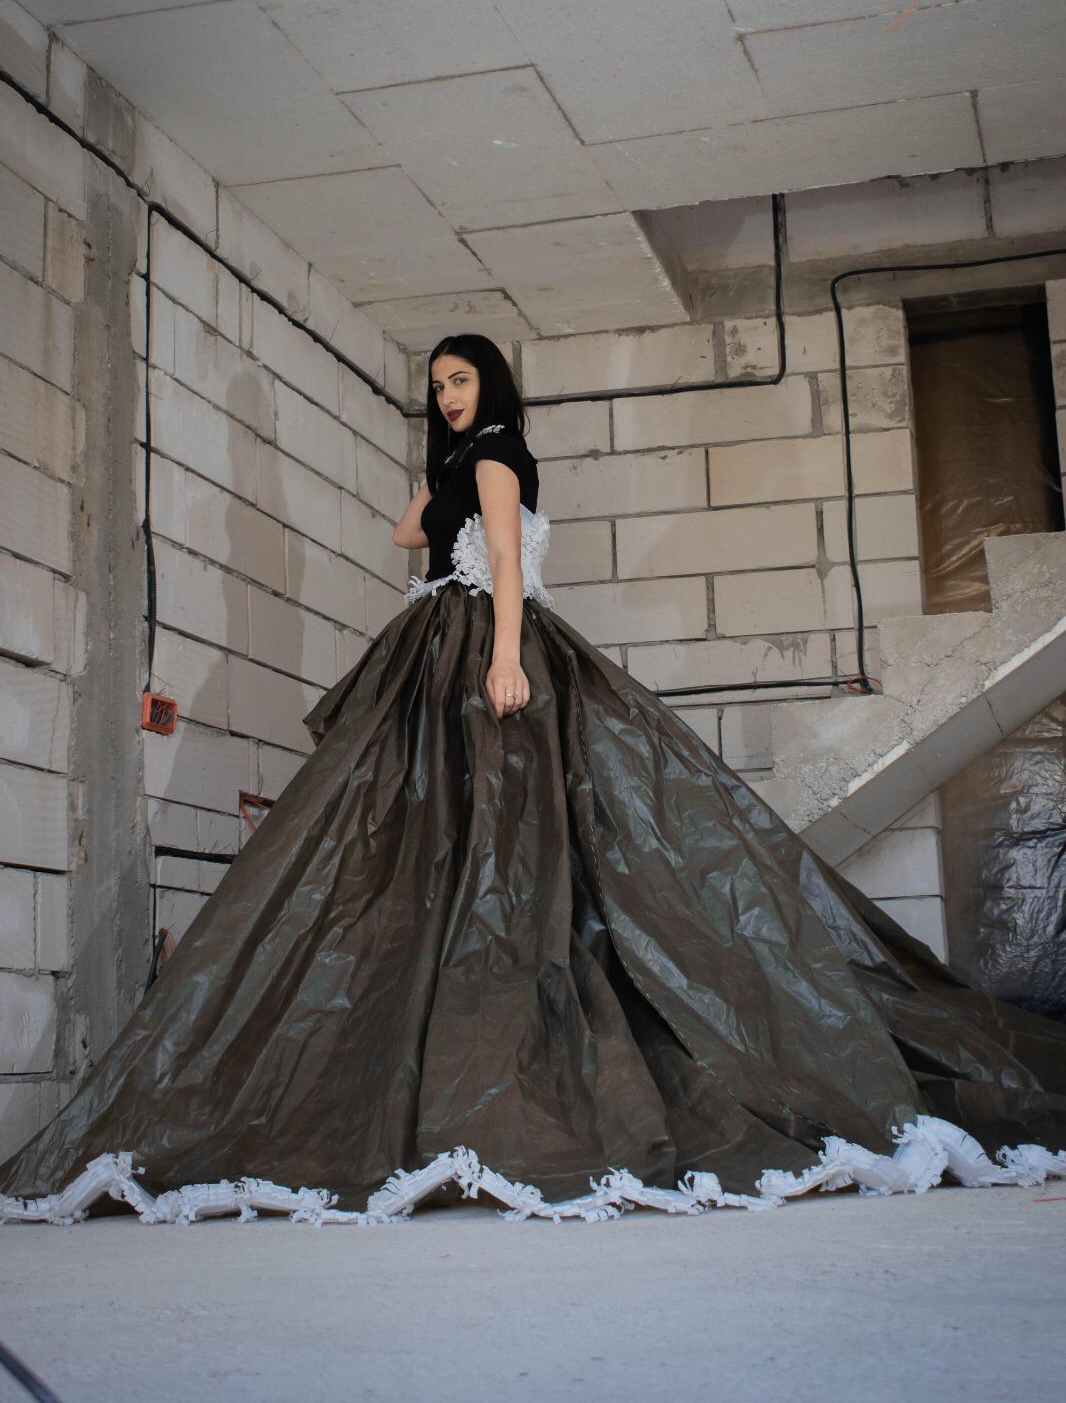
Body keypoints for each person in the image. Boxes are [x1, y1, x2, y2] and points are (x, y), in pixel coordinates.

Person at [2, 333, 1065, 1227]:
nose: (446, 395)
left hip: (481, 645)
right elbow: (407, 532)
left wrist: (505, 657)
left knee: (511, 843)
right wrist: (438, 464)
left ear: (494, 384)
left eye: (460, 379)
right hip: (436, 647)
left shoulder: (503, 455)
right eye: (436, 384)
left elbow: (505, 561)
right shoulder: (467, 459)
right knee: (430, 841)